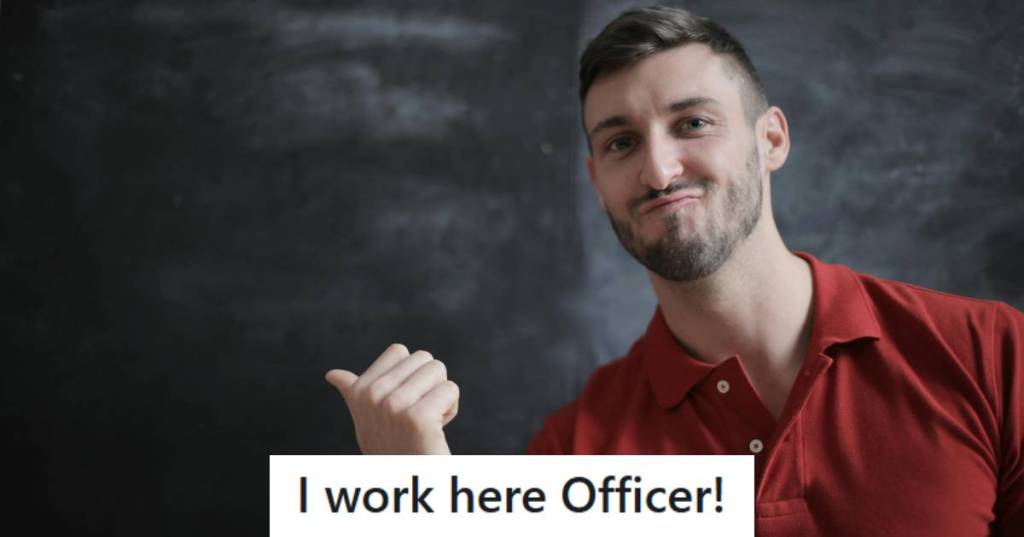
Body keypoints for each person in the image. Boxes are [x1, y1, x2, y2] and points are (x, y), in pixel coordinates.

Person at [325, 6, 1023, 535]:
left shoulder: (993, 354)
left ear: (771, 138)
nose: (658, 170)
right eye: (623, 142)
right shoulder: (573, 456)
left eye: (692, 123)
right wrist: (415, 492)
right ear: (597, 180)